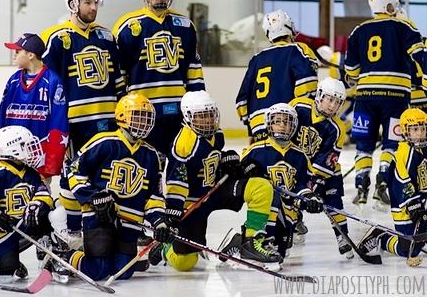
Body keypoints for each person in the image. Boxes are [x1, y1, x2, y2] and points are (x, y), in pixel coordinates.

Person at [147, 90, 282, 272]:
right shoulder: (184, 144)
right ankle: (165, 249)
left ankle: (249, 241)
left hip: (215, 190)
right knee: (185, 263)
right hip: (191, 204)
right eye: (201, 117)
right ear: (187, 117)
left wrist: (228, 159)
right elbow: (176, 180)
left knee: (261, 187)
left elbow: (213, 158)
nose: (208, 120)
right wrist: (173, 210)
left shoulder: (216, 134)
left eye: (210, 114)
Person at [41, 0, 124, 242]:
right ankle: (72, 228)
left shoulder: (106, 36)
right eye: (87, 2)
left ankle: (100, 227)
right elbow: (50, 88)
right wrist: (58, 128)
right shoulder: (56, 38)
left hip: (108, 119)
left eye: (94, 2)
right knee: (74, 174)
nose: (92, 7)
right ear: (72, 4)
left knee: (106, 172)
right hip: (75, 122)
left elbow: (118, 80)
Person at [63, 93, 175, 280]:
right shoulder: (104, 142)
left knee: (123, 272)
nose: (144, 122)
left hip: (130, 222)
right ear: (122, 116)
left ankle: (120, 257)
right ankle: (63, 257)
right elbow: (74, 170)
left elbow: (154, 197)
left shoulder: (152, 155)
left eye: (147, 118)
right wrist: (93, 197)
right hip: (100, 216)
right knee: (98, 270)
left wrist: (160, 221)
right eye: (138, 116)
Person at [345, 0, 424, 210]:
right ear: (391, 7)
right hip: (396, 97)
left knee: (363, 145)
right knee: (392, 143)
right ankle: (382, 183)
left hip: (365, 98)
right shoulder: (405, 26)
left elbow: (351, 70)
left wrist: (352, 78)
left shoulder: (358, 31)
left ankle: (361, 185)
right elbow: (420, 56)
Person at [219, 103, 322, 270]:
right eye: (277, 121)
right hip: (266, 207)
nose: (282, 125)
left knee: (282, 252)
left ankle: (240, 240)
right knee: (270, 192)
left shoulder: (300, 155)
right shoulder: (256, 150)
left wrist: (309, 198)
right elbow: (239, 176)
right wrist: (245, 170)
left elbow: (303, 184)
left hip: (288, 212)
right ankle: (259, 242)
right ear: (269, 124)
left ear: (293, 126)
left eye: (286, 122)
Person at [112, 0, 205, 155]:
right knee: (147, 163)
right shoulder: (127, 26)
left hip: (179, 109)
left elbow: (193, 71)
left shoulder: (185, 25)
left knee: (180, 162)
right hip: (142, 112)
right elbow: (119, 73)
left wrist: (198, 103)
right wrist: (123, 105)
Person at [0, 126, 57, 283]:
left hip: (28, 224)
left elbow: (43, 192)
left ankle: (53, 255)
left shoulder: (32, 173)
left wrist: (37, 204)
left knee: (55, 214)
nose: (32, 149)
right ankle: (6, 260)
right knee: (6, 274)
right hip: (3, 230)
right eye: (25, 146)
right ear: (13, 149)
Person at [289, 77, 354, 258]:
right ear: (319, 95)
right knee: (292, 199)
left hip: (327, 172)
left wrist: (313, 184)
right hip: (297, 167)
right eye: (330, 99)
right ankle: (295, 223)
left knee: (334, 202)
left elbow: (326, 161)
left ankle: (342, 235)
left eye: (338, 102)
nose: (333, 106)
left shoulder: (337, 129)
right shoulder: (298, 106)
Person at [236, 10, 319, 143]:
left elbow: (241, 101)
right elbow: (307, 87)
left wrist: (252, 128)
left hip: (258, 127)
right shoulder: (297, 50)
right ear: (289, 27)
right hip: (285, 124)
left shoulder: (257, 58)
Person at [357, 108, 427, 267]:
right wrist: (414, 204)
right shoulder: (403, 153)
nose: (420, 133)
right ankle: (381, 236)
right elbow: (402, 182)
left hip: (422, 200)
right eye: (415, 129)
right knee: (408, 248)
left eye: (423, 128)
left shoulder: (423, 149)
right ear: (405, 131)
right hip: (405, 206)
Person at [0, 33, 68, 180]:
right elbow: (1, 117)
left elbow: (59, 123)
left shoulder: (52, 81)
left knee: (40, 196)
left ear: (30, 55)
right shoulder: (13, 80)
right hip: (12, 156)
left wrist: (51, 162)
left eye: (17, 52)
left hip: (38, 156)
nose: (14, 56)